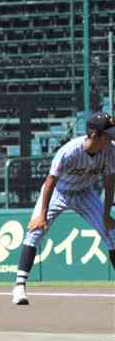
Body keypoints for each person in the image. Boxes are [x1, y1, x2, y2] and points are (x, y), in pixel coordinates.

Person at [12, 112, 115, 305]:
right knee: (35, 231)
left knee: (112, 233)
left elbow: (110, 182)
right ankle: (19, 286)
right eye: (107, 136)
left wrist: (107, 214)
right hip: (59, 192)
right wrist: (41, 215)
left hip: (85, 193)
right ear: (94, 135)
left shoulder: (110, 151)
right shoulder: (69, 151)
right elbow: (50, 182)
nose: (111, 139)